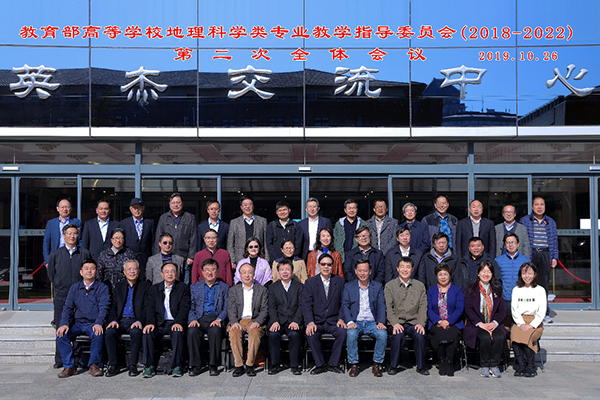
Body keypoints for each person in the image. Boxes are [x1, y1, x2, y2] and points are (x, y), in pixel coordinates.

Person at [46, 223, 91, 369]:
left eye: (75, 233)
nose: (72, 236)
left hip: (80, 297)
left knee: (77, 326)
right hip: (61, 296)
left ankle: (76, 358)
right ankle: (60, 359)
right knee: (61, 327)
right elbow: (52, 275)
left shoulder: (84, 253)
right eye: (69, 233)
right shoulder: (55, 255)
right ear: (64, 236)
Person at [56, 259, 109, 378]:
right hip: (78, 323)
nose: (89, 271)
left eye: (92, 268)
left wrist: (99, 322)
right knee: (61, 334)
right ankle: (69, 366)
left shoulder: (102, 288)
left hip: (93, 323)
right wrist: (64, 324)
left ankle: (94, 364)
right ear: (81, 272)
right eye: (86, 268)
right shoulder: (75, 288)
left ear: (96, 272)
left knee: (98, 334)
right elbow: (68, 308)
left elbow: (104, 308)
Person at [142, 262, 191, 378]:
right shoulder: (154, 289)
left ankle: (177, 366)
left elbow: (184, 308)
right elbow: (150, 308)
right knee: (147, 332)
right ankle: (149, 366)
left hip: (174, 322)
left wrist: (179, 322)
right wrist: (150, 323)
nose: (170, 274)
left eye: (172, 271)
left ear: (177, 273)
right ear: (162, 274)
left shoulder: (183, 288)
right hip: (158, 322)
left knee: (178, 332)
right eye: (167, 272)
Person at [302, 253, 347, 375]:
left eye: (329, 264)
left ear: (333, 266)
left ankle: (333, 363)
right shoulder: (310, 282)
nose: (326, 267)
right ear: (318, 266)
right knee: (311, 334)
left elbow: (344, 303)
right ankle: (320, 364)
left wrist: (341, 319)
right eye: (323, 264)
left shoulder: (340, 282)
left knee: (342, 332)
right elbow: (306, 305)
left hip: (334, 321)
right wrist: (310, 322)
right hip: (317, 321)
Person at [105, 259, 151, 377]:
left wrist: (140, 321)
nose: (132, 272)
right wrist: (113, 320)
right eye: (129, 269)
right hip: (120, 320)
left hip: (135, 320)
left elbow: (147, 307)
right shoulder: (119, 287)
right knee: (110, 332)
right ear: (124, 272)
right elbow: (113, 306)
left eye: (134, 269)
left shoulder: (145, 286)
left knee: (136, 332)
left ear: (139, 271)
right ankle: (113, 365)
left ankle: (132, 365)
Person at [341, 259, 387, 377]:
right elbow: (345, 305)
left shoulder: (377, 286)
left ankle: (377, 363)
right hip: (356, 321)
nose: (362, 273)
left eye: (365, 271)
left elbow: (381, 305)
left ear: (370, 271)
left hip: (372, 322)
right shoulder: (348, 286)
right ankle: (354, 364)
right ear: (355, 271)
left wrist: (381, 321)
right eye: (360, 270)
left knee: (382, 334)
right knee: (351, 334)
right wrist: (349, 321)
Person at [385, 257, 429, 376]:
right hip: (397, 322)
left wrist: (420, 323)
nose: (405, 270)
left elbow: (423, 307)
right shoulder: (390, 286)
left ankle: (421, 366)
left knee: (420, 335)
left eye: (408, 267)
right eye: (402, 267)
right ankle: (393, 365)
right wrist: (394, 323)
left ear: (412, 269)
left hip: (414, 322)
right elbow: (388, 308)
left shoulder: (419, 286)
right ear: (397, 269)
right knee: (398, 335)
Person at [463, 261, 507, 378]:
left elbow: (502, 310)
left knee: (499, 336)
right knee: (485, 337)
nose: (486, 274)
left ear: (492, 274)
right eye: (483, 271)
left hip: (494, 323)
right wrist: (480, 324)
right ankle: (485, 365)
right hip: (477, 324)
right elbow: (468, 309)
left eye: (489, 272)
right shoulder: (471, 289)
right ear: (478, 273)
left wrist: (494, 323)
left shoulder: (497, 289)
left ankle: (494, 364)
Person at [188, 258, 229, 377]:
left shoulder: (224, 287)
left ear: (217, 271)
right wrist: (193, 319)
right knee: (192, 331)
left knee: (215, 331)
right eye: (207, 270)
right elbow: (190, 307)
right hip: (199, 318)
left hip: (215, 318)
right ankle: (195, 365)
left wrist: (219, 319)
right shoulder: (194, 287)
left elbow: (227, 307)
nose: (209, 272)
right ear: (202, 272)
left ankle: (213, 365)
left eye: (212, 270)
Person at [519, 196, 558, 324]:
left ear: (545, 207)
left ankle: (544, 313)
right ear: (532, 207)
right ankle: (527, 312)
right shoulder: (525, 220)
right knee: (527, 283)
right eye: (537, 204)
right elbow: (522, 240)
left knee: (543, 285)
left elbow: (554, 241)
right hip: (531, 254)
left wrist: (554, 257)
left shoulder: (550, 222)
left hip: (545, 254)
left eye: (542, 204)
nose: (539, 207)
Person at [228, 262, 269, 377]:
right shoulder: (233, 290)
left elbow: (265, 309)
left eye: (249, 272)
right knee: (234, 332)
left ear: (254, 274)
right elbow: (231, 309)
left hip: (254, 320)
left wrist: (258, 321)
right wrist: (234, 322)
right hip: (239, 320)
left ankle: (250, 365)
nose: (247, 275)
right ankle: (239, 365)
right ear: (240, 275)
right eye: (244, 272)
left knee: (255, 332)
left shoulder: (262, 290)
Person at [267, 258, 304, 375]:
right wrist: (274, 321)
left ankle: (294, 365)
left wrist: (296, 321)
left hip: (293, 320)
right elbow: (271, 307)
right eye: (282, 269)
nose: (285, 272)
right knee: (273, 335)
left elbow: (302, 306)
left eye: (287, 269)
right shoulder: (273, 287)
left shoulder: (300, 287)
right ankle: (275, 365)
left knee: (294, 335)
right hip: (278, 320)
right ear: (278, 272)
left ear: (292, 272)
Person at [427, 263, 464, 377]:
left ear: (450, 275)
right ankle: (442, 361)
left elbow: (459, 308)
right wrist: (439, 321)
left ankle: (449, 362)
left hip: (453, 322)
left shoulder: (457, 290)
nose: (443, 277)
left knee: (452, 334)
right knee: (439, 333)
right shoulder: (431, 290)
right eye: (440, 274)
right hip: (436, 322)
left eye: (445, 274)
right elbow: (428, 308)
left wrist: (448, 321)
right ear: (436, 276)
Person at [511, 262, 546, 378]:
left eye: (530, 273)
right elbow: (514, 309)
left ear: (535, 274)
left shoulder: (540, 290)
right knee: (515, 337)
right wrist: (521, 323)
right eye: (524, 273)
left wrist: (532, 325)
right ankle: (521, 365)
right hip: (519, 320)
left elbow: (542, 311)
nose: (527, 276)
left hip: (535, 322)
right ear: (520, 275)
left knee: (527, 336)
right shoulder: (516, 289)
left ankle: (530, 366)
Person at [154, 193, 197, 284]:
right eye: (173, 203)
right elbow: (158, 237)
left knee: (184, 283)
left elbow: (193, 238)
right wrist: (157, 256)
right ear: (169, 204)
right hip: (168, 257)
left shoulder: (189, 217)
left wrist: (191, 256)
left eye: (178, 202)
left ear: (182, 204)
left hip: (184, 257)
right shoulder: (164, 218)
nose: (176, 205)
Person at [495, 233, 531, 321]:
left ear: (518, 244)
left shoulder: (526, 260)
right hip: (504, 299)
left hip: (521, 300)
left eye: (513, 242)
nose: (510, 245)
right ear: (504, 245)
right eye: (508, 243)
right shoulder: (498, 260)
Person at [120, 198, 155, 280]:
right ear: (130, 209)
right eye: (135, 208)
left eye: (139, 207)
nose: (137, 210)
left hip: (145, 258)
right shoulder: (124, 223)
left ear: (143, 208)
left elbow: (153, 241)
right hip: (129, 258)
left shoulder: (150, 222)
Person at [227, 195, 269, 265]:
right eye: (245, 205)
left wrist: (267, 259)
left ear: (253, 206)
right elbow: (230, 243)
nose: (247, 207)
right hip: (240, 258)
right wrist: (232, 260)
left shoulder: (262, 221)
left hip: (259, 257)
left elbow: (266, 241)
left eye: (250, 204)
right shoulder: (234, 222)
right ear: (241, 207)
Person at [43, 198, 82, 266]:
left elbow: (80, 240)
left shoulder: (77, 222)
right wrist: (47, 260)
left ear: (71, 208)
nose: (65, 209)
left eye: (67, 207)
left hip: (72, 255)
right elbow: (46, 242)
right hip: (55, 256)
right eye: (62, 207)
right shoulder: (51, 223)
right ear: (57, 209)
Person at [333, 199, 367, 263]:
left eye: (354, 208)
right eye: (349, 208)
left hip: (358, 257)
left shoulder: (363, 224)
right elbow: (335, 239)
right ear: (345, 210)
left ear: (357, 209)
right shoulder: (339, 224)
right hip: (342, 256)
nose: (352, 210)